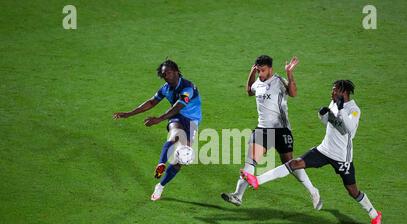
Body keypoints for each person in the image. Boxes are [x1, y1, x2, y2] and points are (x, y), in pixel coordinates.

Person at [241, 80, 382, 224]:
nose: (332, 93)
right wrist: (323, 115)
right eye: (332, 90)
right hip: (324, 150)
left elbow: (349, 130)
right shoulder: (334, 102)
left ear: (344, 92)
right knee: (294, 163)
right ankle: (256, 180)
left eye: (335, 90)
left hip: (342, 158)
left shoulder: (354, 109)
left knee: (353, 191)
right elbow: (329, 123)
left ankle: (375, 215)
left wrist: (340, 109)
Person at [221, 55, 322, 209]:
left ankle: (313, 191)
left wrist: (289, 73)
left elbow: (293, 93)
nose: (260, 73)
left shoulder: (279, 81)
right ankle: (238, 195)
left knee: (290, 164)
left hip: (281, 130)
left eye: (263, 70)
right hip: (262, 129)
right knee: (250, 161)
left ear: (270, 69)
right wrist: (251, 73)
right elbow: (249, 91)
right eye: (258, 70)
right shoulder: (257, 83)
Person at [113, 59, 202, 201]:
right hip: (176, 117)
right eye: (164, 74)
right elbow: (151, 102)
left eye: (169, 72)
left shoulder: (188, 87)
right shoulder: (165, 88)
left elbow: (179, 105)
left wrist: (159, 119)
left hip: (192, 121)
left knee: (182, 159)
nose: (166, 76)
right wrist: (129, 113)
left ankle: (160, 186)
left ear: (176, 71)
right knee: (175, 136)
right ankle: (161, 163)